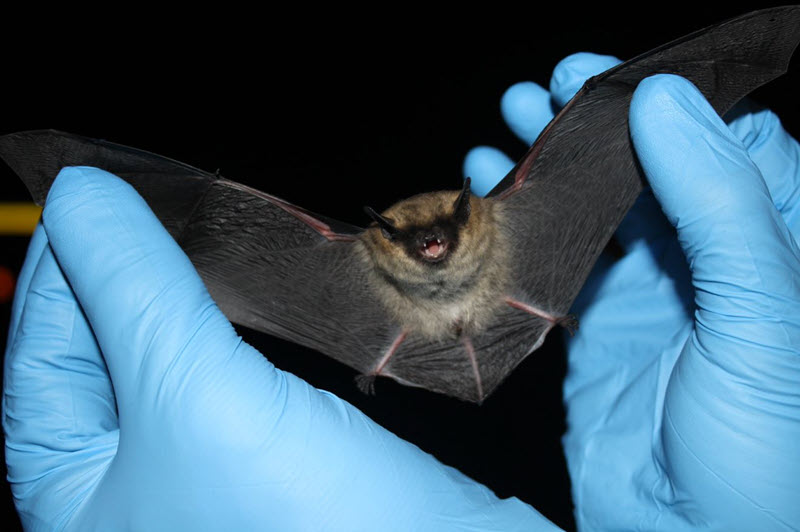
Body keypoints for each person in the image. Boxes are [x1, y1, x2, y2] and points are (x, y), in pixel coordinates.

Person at [4, 53, 798, 530]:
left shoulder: (493, 225)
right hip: (403, 328)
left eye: (442, 230)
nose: (431, 242)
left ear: (462, 219)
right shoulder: (363, 262)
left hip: (506, 297)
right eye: (413, 237)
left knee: (609, 130)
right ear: (385, 237)